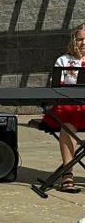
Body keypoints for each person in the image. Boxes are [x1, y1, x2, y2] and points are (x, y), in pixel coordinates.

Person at [42, 23, 85, 192]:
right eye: (80, 39)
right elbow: (55, 87)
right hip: (69, 108)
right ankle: (68, 173)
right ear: (74, 40)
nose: (83, 43)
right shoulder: (64, 60)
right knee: (67, 126)